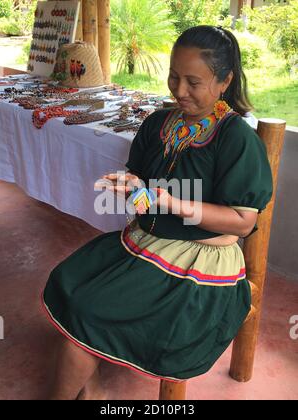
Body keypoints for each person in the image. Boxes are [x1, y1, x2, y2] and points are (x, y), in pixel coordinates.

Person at [42, 25, 273, 400]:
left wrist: (163, 199)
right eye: (174, 76)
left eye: (193, 82)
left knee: (89, 311)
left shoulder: (236, 140)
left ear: (225, 80)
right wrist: (131, 185)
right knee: (70, 283)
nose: (179, 91)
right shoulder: (158, 123)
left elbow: (243, 221)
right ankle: (93, 388)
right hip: (145, 241)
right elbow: (142, 182)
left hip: (201, 260)